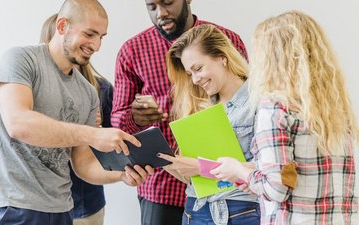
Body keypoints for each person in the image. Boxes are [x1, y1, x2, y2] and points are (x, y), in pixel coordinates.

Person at [0, 1, 153, 225]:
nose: (96, 45)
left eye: (102, 36)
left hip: (62, 210)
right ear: (62, 26)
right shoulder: (19, 60)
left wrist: (122, 174)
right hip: (13, 208)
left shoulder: (88, 93)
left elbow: (83, 165)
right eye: (90, 34)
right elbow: (18, 123)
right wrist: (92, 135)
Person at [210, 11, 359, 225]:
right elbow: (296, 172)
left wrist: (238, 169)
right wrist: (256, 173)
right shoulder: (334, 107)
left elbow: (276, 189)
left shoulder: (275, 107)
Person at [111, 0, 248, 224]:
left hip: (228, 189)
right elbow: (117, 122)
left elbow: (246, 102)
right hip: (161, 188)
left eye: (168, 3)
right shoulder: (132, 50)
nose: (161, 13)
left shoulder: (225, 39)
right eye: (151, 6)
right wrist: (135, 118)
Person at [157, 24, 260, 225]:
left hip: (241, 212)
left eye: (198, 69)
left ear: (222, 57)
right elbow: (195, 180)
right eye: (190, 74)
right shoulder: (198, 106)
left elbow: (271, 170)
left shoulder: (258, 101)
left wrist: (200, 167)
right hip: (195, 211)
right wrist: (170, 164)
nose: (195, 80)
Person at [40, 13, 113, 225]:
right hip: (40, 205)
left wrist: (96, 133)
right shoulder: (31, 87)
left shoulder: (101, 90)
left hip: (85, 205)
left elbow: (113, 152)